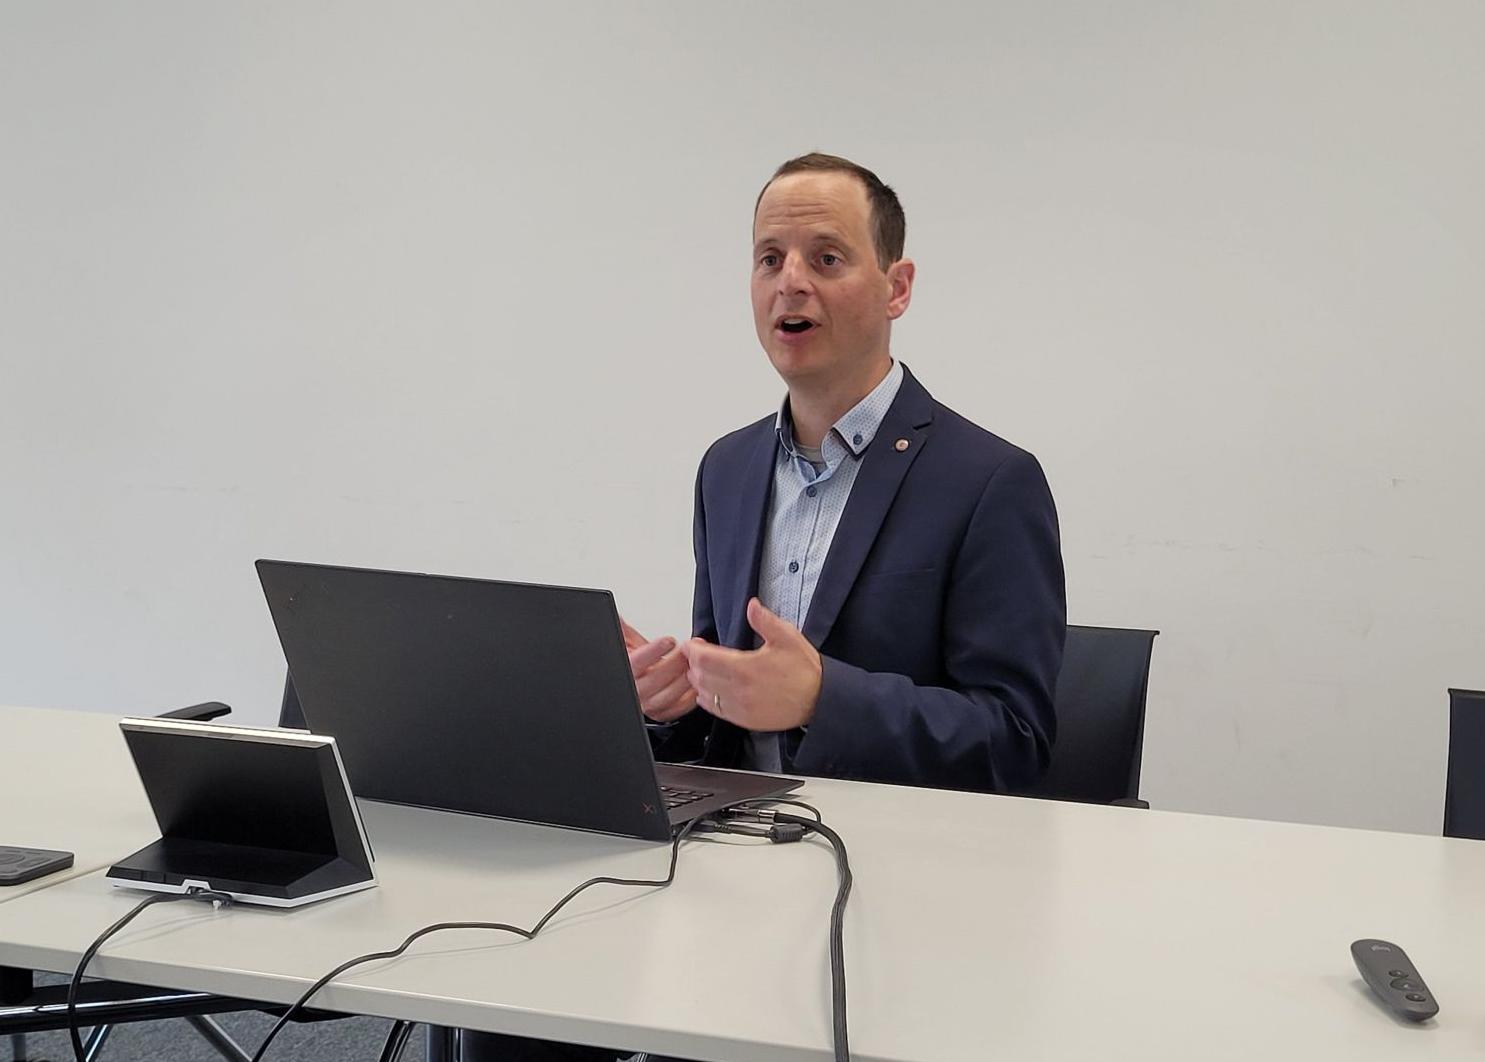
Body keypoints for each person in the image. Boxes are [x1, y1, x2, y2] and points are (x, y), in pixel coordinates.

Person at [462, 152, 1066, 1062]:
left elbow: (1014, 741)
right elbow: (721, 711)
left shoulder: (990, 481)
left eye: (827, 258)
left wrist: (823, 697)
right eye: (769, 258)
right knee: (508, 991)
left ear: (896, 287)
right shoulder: (728, 467)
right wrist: (665, 699)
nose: (791, 282)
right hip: (722, 866)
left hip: (890, 891)